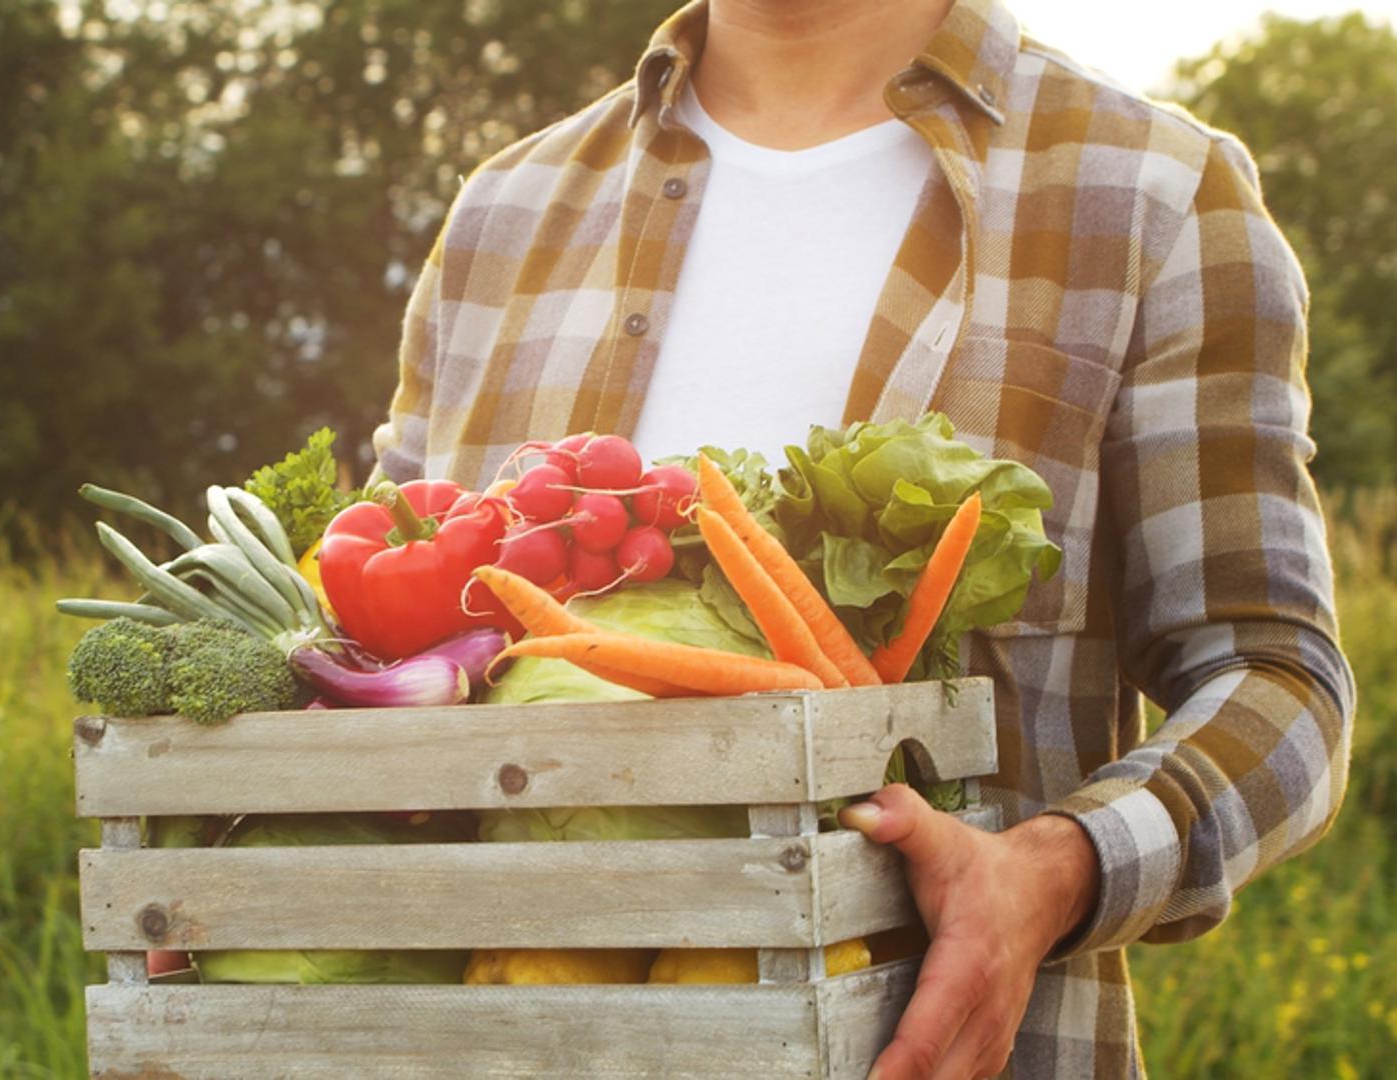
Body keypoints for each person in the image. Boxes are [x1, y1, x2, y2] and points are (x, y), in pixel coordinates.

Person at [368, 0, 1356, 1076]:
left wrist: (1053, 870)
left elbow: (1277, 678)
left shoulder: (1152, 197)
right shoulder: (503, 213)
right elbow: (375, 660)